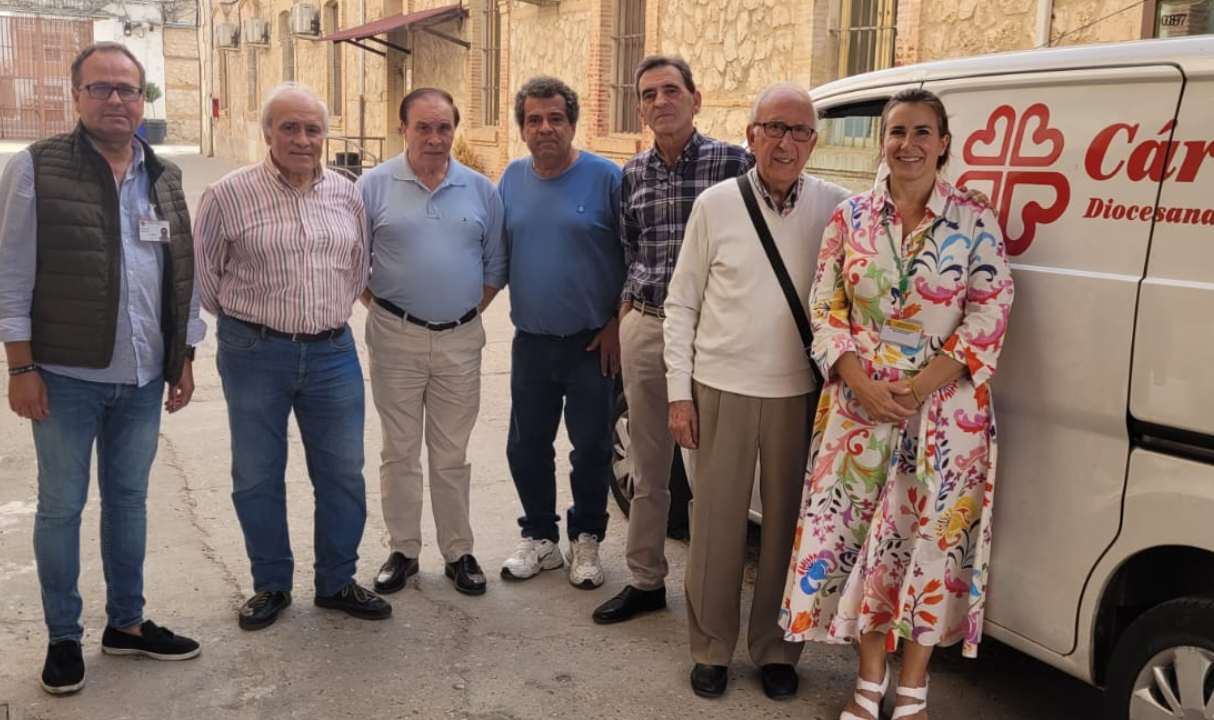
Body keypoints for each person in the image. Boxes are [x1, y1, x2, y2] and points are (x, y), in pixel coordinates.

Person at [779, 88, 1015, 720]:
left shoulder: (974, 219)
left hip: (946, 418)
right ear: (882, 141)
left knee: (927, 549)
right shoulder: (850, 219)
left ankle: (913, 690)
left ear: (943, 143)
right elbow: (824, 310)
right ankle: (867, 681)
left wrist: (918, 386)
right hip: (858, 413)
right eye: (896, 132)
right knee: (861, 543)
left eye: (921, 132)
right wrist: (861, 381)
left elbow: (989, 312)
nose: (907, 144)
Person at [0, 41, 204, 695]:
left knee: (129, 504)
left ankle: (127, 625)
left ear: (144, 100)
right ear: (77, 96)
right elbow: (11, 272)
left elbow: (183, 276)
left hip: (143, 378)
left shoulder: (164, 176)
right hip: (64, 376)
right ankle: (64, 635)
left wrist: (185, 356)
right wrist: (20, 366)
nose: (117, 100)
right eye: (102, 88)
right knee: (61, 507)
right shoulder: (37, 167)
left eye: (128, 89)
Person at [663, 82, 851, 700]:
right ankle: (711, 648)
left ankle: (777, 649)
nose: (786, 141)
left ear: (814, 141)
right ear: (750, 136)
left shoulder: (837, 208)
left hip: (800, 393)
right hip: (720, 387)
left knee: (788, 529)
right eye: (773, 127)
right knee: (715, 528)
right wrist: (678, 394)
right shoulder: (716, 205)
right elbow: (682, 303)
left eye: (799, 131)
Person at [194, 82, 389, 631]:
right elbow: (205, 279)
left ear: (325, 135)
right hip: (254, 351)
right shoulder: (228, 195)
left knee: (342, 474)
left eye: (312, 129)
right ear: (268, 134)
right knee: (256, 474)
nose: (302, 140)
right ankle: (271, 584)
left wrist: (324, 313)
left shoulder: (347, 193)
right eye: (289, 128)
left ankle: (336, 581)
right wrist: (252, 323)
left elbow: (358, 264)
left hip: (332, 352)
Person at [592, 54, 751, 626]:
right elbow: (631, 249)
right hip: (648, 326)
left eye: (671, 90)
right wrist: (627, 311)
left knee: (708, 470)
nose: (660, 102)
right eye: (649, 94)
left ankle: (709, 594)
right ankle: (645, 578)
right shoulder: (632, 173)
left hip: (713, 337)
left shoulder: (735, 163)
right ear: (639, 108)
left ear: (695, 98)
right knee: (647, 461)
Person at [357, 88, 506, 597]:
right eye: (424, 127)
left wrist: (459, 314)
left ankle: (459, 551)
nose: (435, 138)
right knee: (398, 451)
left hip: (461, 340)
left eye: (444, 127)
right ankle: (403, 550)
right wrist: (395, 314)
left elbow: (494, 267)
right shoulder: (372, 186)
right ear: (404, 129)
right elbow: (356, 264)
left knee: (451, 454)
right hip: (394, 337)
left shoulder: (481, 190)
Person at [496, 77, 624, 588]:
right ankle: (541, 538)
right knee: (526, 446)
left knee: (591, 448)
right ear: (522, 128)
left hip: (592, 343)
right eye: (533, 119)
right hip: (531, 340)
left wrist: (618, 321)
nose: (545, 128)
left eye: (555, 118)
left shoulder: (605, 178)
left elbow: (634, 255)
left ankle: (586, 539)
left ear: (572, 123)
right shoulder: (510, 179)